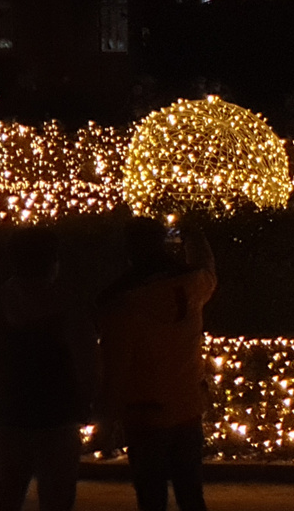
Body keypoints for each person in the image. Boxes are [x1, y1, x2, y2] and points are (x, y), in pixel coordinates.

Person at [0, 227, 97, 511]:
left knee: (7, 498)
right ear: (53, 260)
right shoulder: (69, 306)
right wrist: (89, 404)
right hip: (59, 419)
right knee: (57, 500)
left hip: (11, 419)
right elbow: (89, 362)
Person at [98, 217, 217, 511]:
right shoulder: (191, 286)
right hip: (188, 406)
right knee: (191, 493)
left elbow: (115, 367)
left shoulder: (121, 303)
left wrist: (107, 420)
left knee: (151, 497)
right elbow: (208, 270)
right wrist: (195, 235)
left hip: (144, 412)